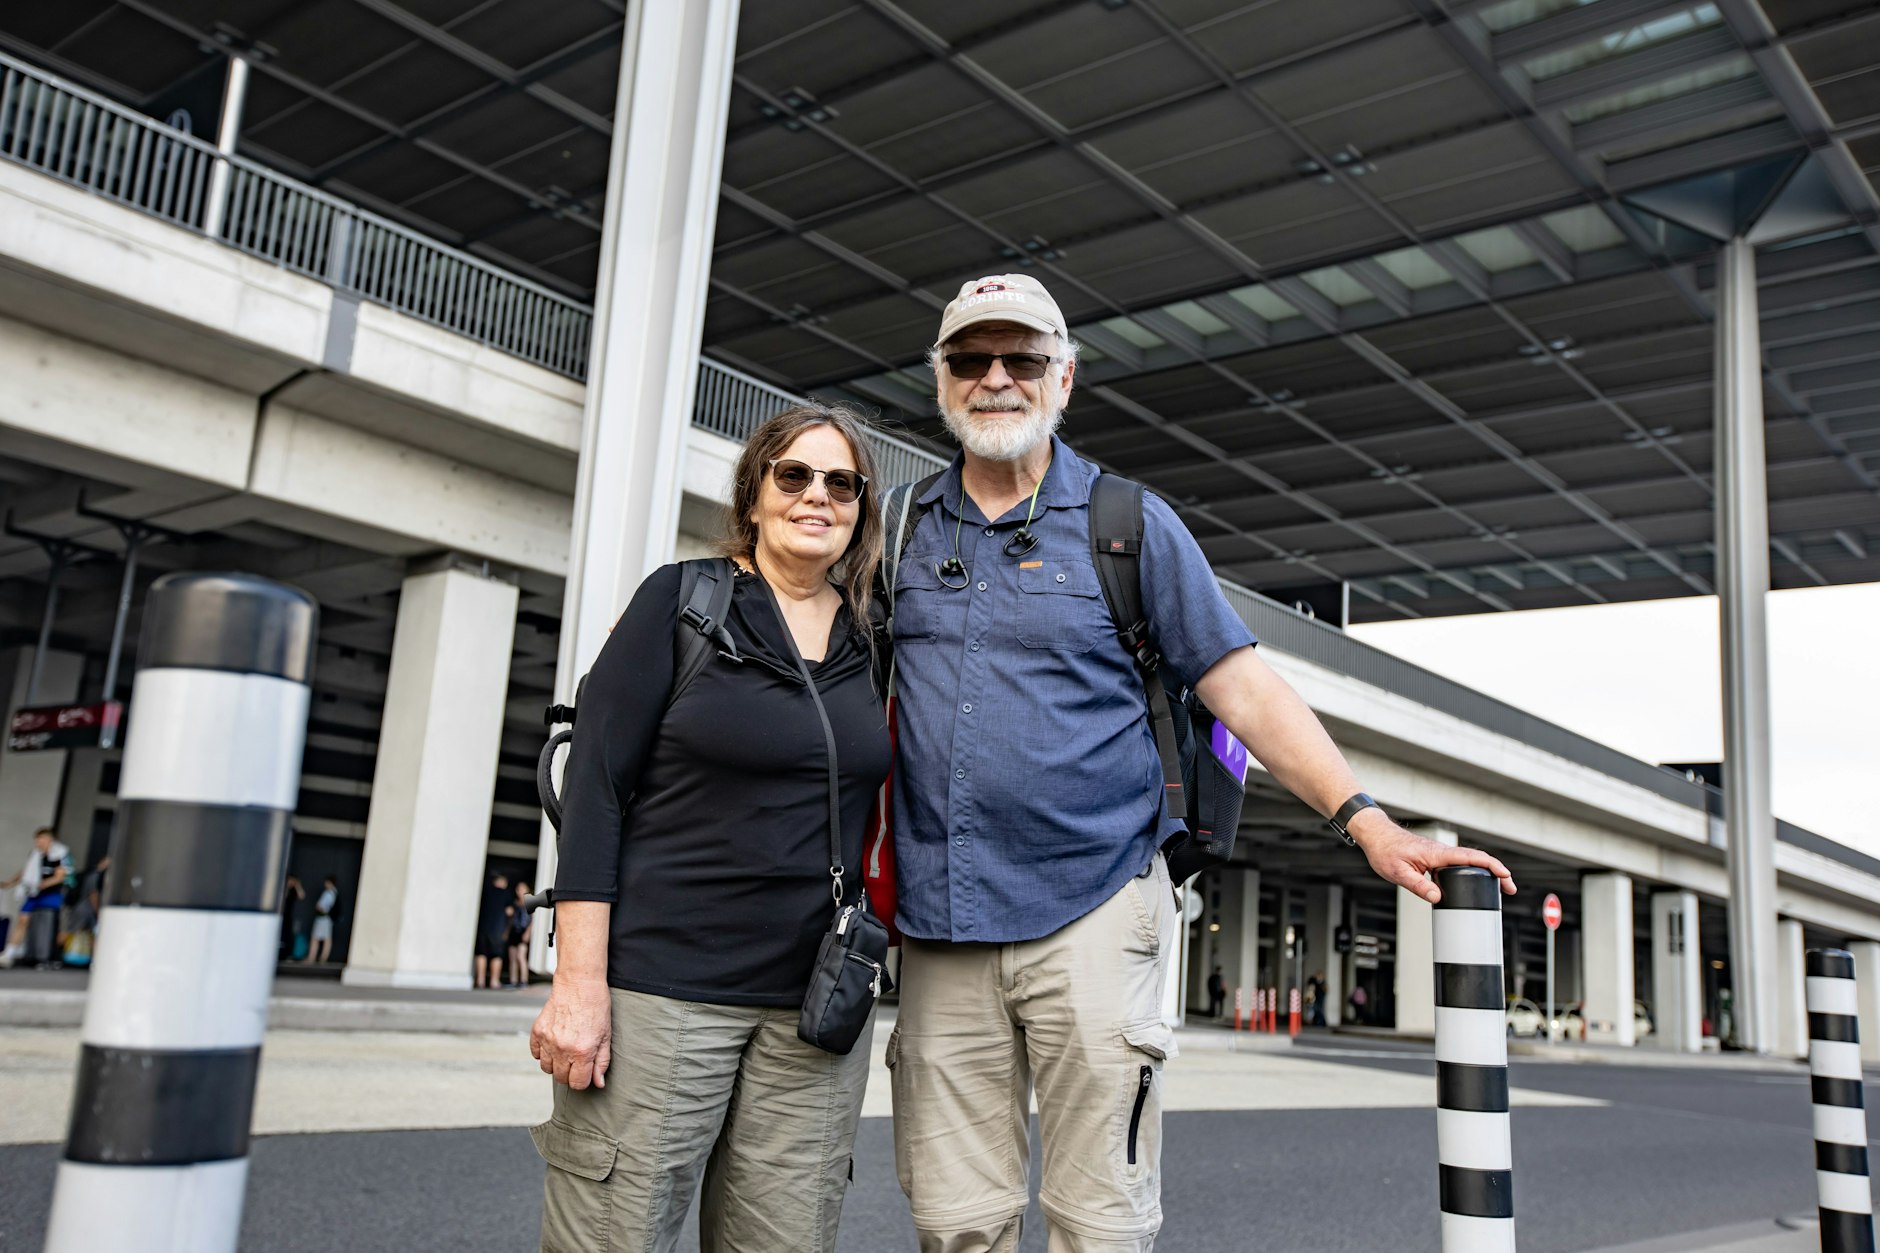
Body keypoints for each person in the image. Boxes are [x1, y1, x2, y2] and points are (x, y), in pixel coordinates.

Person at [884, 273, 1516, 1252]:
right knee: (954, 1225)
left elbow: (1245, 691)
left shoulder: (1128, 525)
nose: (996, 377)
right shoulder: (895, 527)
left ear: (1064, 376)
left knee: (1100, 1225)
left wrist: (1368, 822)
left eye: (1023, 357)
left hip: (1092, 907)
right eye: (970, 357)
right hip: (939, 925)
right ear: (940, 378)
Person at [527, 403, 891, 1253]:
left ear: (861, 509)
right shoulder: (681, 601)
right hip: (661, 996)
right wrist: (577, 983)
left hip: (813, 1013)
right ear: (755, 491)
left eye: (841, 483)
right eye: (794, 474)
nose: (817, 495)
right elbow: (596, 790)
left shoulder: (875, 637)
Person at [0, 828, 73, 967]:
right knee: (23, 919)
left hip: (51, 894)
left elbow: (60, 876)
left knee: (47, 924)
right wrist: (11, 882)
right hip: (34, 893)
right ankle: (10, 953)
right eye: (37, 840)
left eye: (41, 839)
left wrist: (43, 884)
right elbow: (26, 872)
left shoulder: (59, 855)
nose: (38, 842)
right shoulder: (35, 855)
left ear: (49, 840)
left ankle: (48, 955)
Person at [475, 871, 510, 989]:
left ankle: (480, 981)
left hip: (483, 927)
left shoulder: (485, 891)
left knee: (481, 953)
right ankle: (494, 981)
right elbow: (509, 911)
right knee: (496, 955)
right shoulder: (505, 894)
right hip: (498, 929)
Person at [306, 875, 339, 964]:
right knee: (327, 938)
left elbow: (321, 906)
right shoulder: (335, 893)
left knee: (315, 938)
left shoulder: (328, 893)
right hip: (327, 919)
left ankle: (312, 957)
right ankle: (323, 957)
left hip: (323, 918)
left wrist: (318, 907)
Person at [506, 880, 533, 989]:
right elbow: (511, 920)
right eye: (519, 889)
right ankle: (513, 981)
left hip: (523, 931)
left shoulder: (530, 902)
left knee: (521, 956)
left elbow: (533, 920)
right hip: (514, 931)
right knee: (512, 957)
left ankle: (524, 980)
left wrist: (528, 933)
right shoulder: (514, 903)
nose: (520, 891)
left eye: (522, 888)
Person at [279, 873, 306, 962]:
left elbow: (302, 896)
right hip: (280, 915)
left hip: (288, 916)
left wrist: (297, 885)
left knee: (287, 935)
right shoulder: (282, 888)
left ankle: (286, 954)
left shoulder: (294, 890)